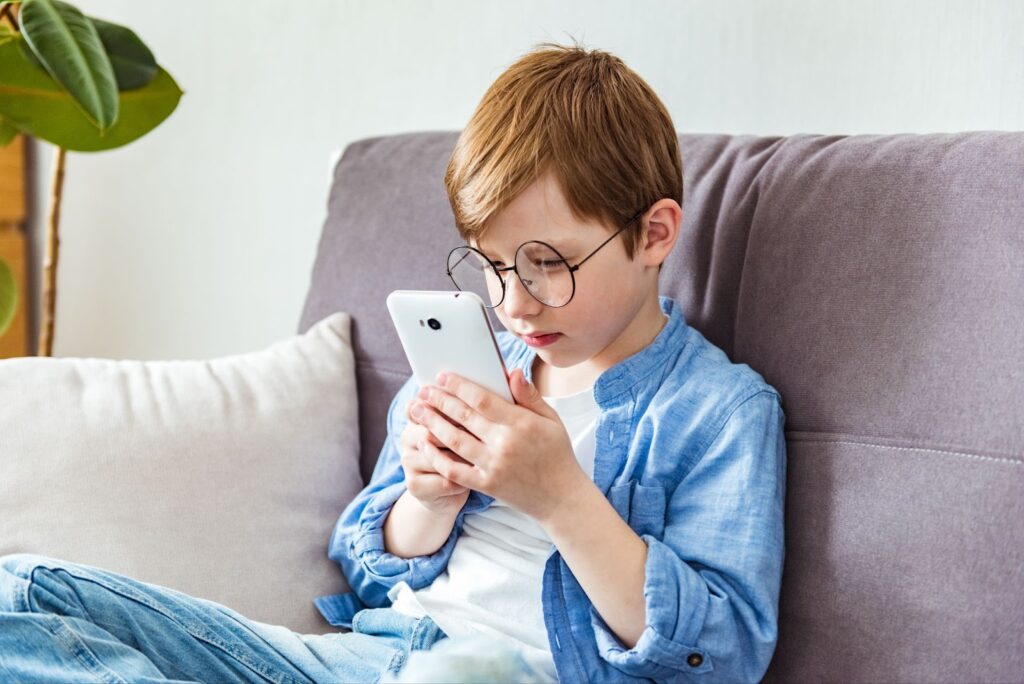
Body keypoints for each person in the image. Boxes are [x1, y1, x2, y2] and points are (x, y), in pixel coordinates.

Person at [0, 40, 786, 684]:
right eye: (491, 264)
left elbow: (717, 655)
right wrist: (427, 500)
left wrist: (562, 500)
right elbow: (367, 572)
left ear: (654, 235)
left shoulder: (718, 411)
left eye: (549, 263)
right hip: (367, 662)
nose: (513, 303)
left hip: (512, 674)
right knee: (19, 588)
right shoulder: (467, 367)